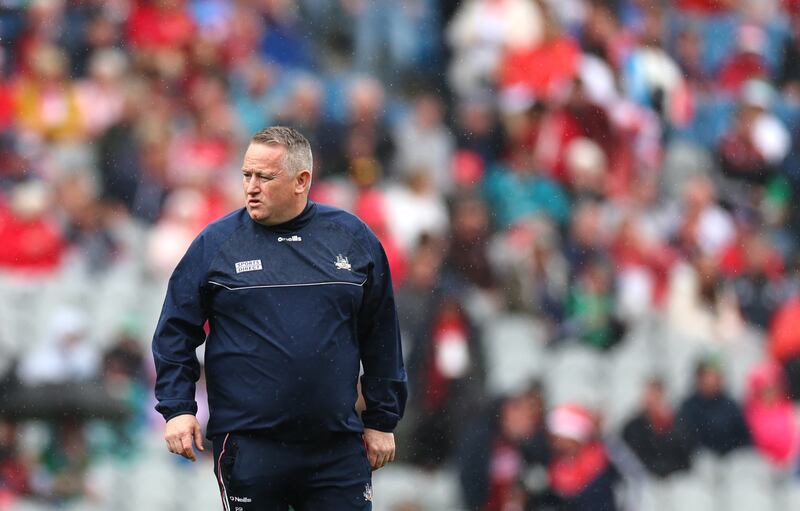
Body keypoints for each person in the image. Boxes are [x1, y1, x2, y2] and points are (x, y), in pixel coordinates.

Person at [152, 126, 407, 510]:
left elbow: (381, 335)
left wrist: (382, 419)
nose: (251, 187)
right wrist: (178, 408)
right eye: (246, 175)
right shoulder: (215, 243)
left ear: (301, 180)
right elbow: (175, 331)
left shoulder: (352, 239)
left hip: (335, 445)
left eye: (265, 177)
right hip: (249, 445)